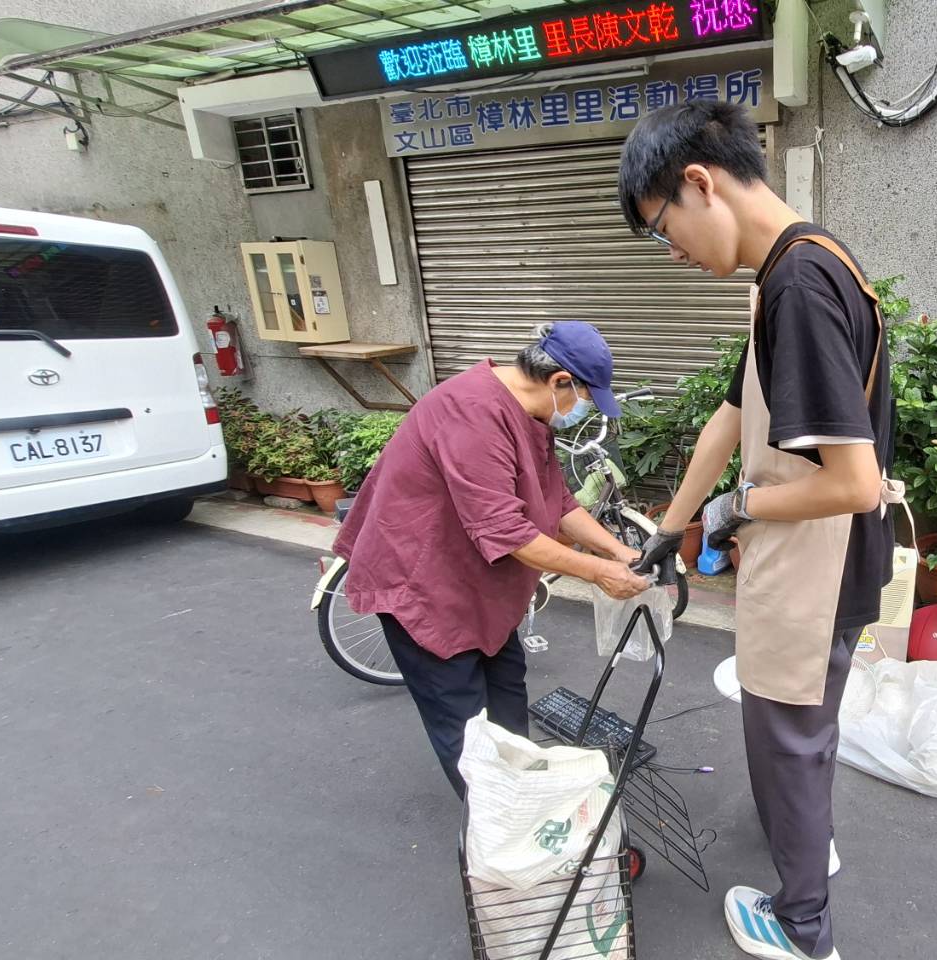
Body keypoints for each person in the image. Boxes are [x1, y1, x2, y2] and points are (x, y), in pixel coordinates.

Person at [620, 101, 896, 960]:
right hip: (818, 558)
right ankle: (809, 845)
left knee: (787, 740)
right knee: (800, 733)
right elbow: (734, 414)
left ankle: (802, 925)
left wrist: (736, 507)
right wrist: (670, 526)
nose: (671, 252)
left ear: (699, 183)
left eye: (662, 228)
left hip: (817, 563)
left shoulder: (798, 286)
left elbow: (851, 483)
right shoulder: (796, 264)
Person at [332, 321, 651, 797]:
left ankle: (521, 801)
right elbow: (505, 531)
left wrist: (619, 550)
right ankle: (495, 825)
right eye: (585, 397)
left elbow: (558, 501)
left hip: (479, 586)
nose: (581, 410)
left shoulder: (528, 413)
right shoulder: (474, 413)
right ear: (560, 381)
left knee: (506, 703)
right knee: (468, 730)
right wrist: (599, 572)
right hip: (425, 586)